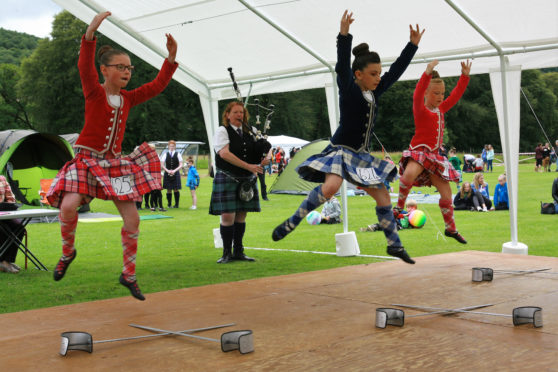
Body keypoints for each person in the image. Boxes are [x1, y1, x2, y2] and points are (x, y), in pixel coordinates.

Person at [272, 11, 424, 264]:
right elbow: (342, 65)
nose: (378, 78)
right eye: (374, 74)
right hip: (341, 150)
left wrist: (412, 46)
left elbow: (396, 71)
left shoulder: (376, 92)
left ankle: (394, 245)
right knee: (330, 188)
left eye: (379, 73)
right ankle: (293, 221)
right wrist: (344, 35)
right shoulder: (348, 87)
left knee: (383, 196)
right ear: (358, 74)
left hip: (362, 156)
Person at [46, 11, 178, 300]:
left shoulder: (129, 98)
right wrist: (90, 34)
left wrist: (169, 61)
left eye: (129, 68)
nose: (127, 71)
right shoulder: (93, 91)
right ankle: (68, 253)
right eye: (120, 67)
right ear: (104, 70)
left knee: (133, 219)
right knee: (68, 207)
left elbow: (156, 86)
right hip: (87, 161)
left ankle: (128, 274)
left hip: (115, 166)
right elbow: (84, 65)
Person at [395, 58, 471, 245]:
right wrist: (427, 72)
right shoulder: (420, 109)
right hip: (420, 152)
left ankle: (450, 228)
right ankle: (398, 208)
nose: (440, 97)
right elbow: (416, 94)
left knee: (446, 194)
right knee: (408, 175)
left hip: (435, 157)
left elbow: (455, 95)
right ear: (427, 93)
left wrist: (465, 77)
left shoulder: (441, 109)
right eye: (436, 93)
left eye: (442, 93)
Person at [209, 101, 271, 264]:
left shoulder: (252, 131)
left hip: (246, 179)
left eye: (241, 113)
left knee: (241, 215)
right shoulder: (223, 131)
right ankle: (226, 253)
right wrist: (249, 166)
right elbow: (224, 154)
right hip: (228, 177)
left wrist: (266, 158)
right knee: (228, 215)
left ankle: (239, 252)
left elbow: (266, 147)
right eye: (235, 112)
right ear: (227, 115)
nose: (239, 115)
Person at [0, 175, 23, 274]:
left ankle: (8, 260)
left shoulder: (2, 179)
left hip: (3, 214)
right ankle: (2, 261)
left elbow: (11, 198)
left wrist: (8, 205)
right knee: (2, 230)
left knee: (19, 228)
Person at [161, 140, 183, 208]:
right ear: (168, 146)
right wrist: (167, 170)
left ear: (175, 147)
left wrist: (174, 170)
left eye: (173, 146)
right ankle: (169, 204)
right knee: (168, 189)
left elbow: (181, 164)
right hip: (167, 173)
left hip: (175, 173)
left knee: (176, 189)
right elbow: (162, 164)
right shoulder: (165, 154)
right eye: (170, 146)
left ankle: (176, 204)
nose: (171, 147)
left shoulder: (178, 154)